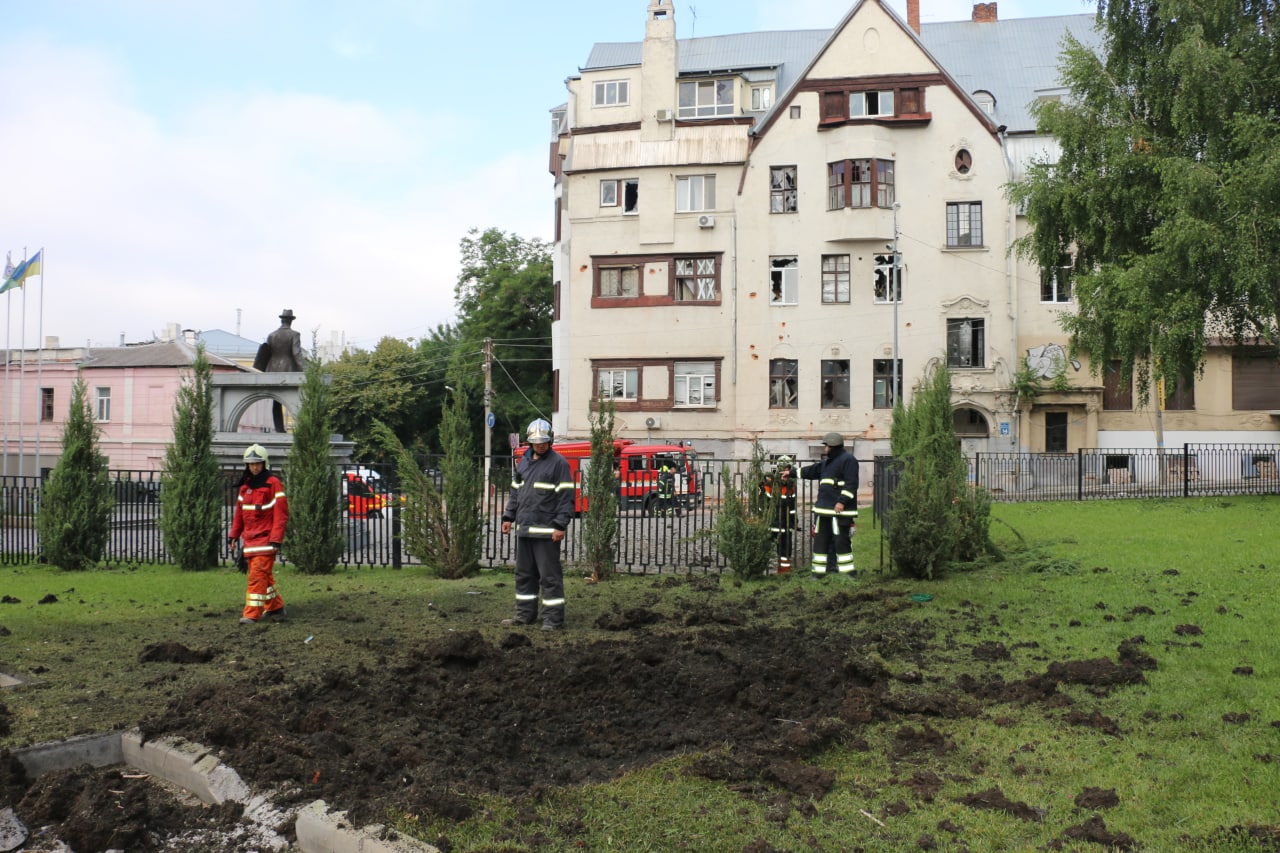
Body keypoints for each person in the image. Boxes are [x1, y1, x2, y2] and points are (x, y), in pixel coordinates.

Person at [501, 418, 575, 630]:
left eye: (543, 442)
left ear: (549, 441)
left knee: (549, 578)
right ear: (530, 442)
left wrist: (560, 525)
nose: (540, 445)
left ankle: (552, 620)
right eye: (536, 442)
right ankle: (524, 615)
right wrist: (508, 517)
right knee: (524, 575)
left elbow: (566, 497)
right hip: (524, 530)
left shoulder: (559, 463)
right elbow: (515, 492)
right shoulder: (523, 462)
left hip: (546, 532)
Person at [229, 443, 289, 623]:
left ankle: (251, 614)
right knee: (264, 576)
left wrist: (276, 539)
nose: (254, 467)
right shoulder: (245, 487)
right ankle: (275, 607)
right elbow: (239, 514)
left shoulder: (273, 484)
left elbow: (281, 514)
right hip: (250, 541)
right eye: (251, 463)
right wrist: (233, 536)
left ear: (265, 463)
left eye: (258, 463)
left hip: (266, 541)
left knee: (256, 577)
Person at [800, 433, 859, 578]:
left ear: (833, 446)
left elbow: (851, 484)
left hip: (839, 511)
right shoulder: (827, 463)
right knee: (820, 542)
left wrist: (842, 501)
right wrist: (792, 473)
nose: (825, 448)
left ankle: (847, 574)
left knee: (841, 542)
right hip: (823, 510)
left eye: (826, 446)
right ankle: (818, 574)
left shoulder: (848, 460)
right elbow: (812, 470)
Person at [255, 308, 306, 432]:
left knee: (276, 401)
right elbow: (296, 354)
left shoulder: (271, 335)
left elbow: (265, 353)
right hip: (288, 370)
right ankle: (300, 429)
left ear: (282, 320)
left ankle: (279, 429)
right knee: (293, 400)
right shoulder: (294, 335)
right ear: (290, 321)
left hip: (271, 370)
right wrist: (305, 370)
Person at [761, 455, 798, 572]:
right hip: (771, 524)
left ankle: (784, 572)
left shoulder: (791, 487)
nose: (785, 472)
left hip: (785, 525)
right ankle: (760, 570)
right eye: (784, 468)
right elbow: (764, 503)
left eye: (788, 469)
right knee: (764, 547)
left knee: (785, 550)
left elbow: (792, 507)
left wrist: (793, 521)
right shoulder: (770, 483)